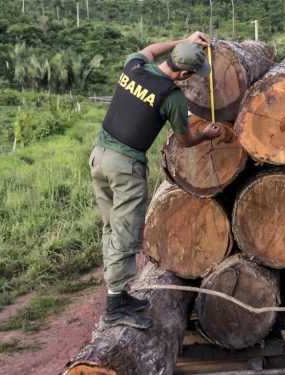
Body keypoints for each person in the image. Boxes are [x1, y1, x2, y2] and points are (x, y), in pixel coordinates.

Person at [89, 32, 220, 329]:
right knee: (124, 232)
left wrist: (182, 41)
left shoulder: (135, 67)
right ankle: (114, 305)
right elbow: (186, 141)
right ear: (185, 73)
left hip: (99, 156)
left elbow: (149, 49)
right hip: (125, 166)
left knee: (112, 227)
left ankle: (118, 294)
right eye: (193, 75)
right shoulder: (171, 96)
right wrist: (207, 135)